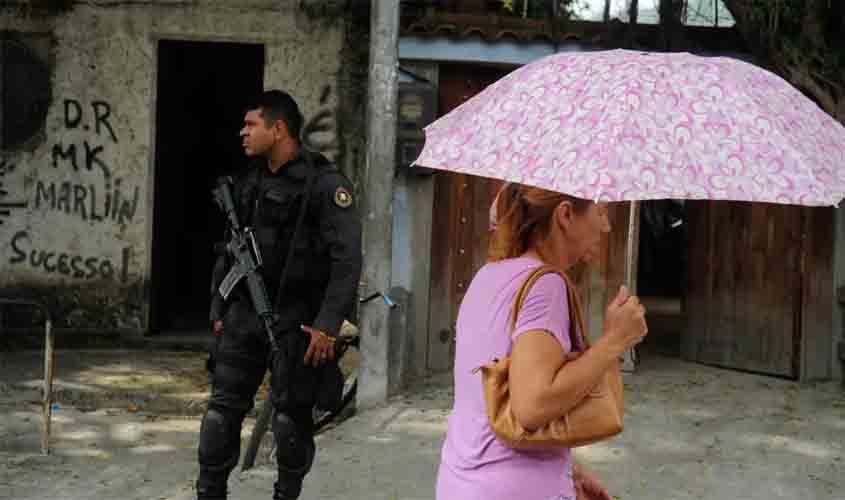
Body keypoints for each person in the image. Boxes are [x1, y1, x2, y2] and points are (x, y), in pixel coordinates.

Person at [197, 90, 362, 500]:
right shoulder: (248, 182)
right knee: (219, 415)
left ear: (279, 129)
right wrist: (218, 309)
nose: (243, 132)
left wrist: (327, 325)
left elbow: (347, 260)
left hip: (297, 321)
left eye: (251, 124)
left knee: (290, 423)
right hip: (243, 316)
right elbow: (227, 250)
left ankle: (285, 494)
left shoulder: (324, 185)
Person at [436, 183, 648, 500]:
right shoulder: (546, 286)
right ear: (565, 215)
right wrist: (615, 341)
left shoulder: (488, 275)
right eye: (601, 212)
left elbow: (484, 403)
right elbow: (532, 407)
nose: (606, 227)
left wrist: (569, 469)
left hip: (460, 481)